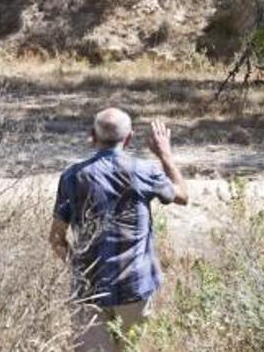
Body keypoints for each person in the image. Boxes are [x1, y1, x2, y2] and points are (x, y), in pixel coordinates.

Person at [49, 108, 190, 352]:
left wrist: (80, 268)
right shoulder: (145, 172)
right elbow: (182, 196)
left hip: (89, 290)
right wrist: (165, 154)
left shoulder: (72, 176)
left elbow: (56, 238)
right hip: (135, 286)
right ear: (130, 138)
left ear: (92, 136)